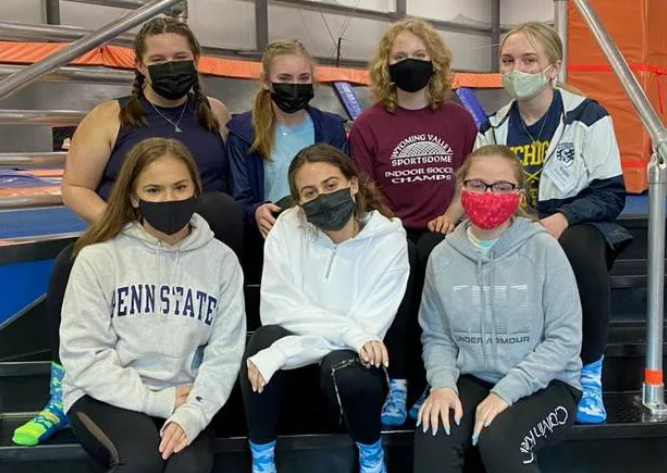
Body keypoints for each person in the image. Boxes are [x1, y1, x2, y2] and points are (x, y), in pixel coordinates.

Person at [12, 17, 242, 447]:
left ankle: (205, 378)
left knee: (222, 208)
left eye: (180, 57)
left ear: (196, 60)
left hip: (195, 242)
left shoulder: (214, 113)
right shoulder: (109, 116)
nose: (171, 66)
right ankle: (61, 393)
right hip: (128, 233)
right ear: (139, 65)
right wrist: (123, 225)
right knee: (71, 263)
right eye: (159, 59)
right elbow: (75, 187)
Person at [475, 22, 631, 424]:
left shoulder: (587, 116)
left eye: (529, 60)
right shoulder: (492, 127)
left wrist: (564, 218)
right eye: (508, 61)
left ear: (552, 68)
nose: (517, 70)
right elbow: (480, 187)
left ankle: (589, 371)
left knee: (580, 248)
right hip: (514, 223)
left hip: (576, 220)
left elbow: (611, 194)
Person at [59, 137, 246, 473]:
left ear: (195, 189)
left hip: (186, 395)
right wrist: (157, 401)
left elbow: (225, 352)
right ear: (134, 196)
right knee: (140, 463)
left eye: (180, 187)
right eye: (154, 190)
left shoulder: (222, 261)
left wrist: (194, 412)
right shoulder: (98, 258)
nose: (169, 199)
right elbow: (83, 356)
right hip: (104, 394)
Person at [240, 144, 410, 473]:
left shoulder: (389, 239)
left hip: (342, 375)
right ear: (299, 202)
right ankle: (262, 460)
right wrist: (346, 332)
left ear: (353, 184)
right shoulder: (286, 228)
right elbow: (278, 310)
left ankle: (372, 458)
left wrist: (285, 351)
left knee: (349, 366)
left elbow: (368, 328)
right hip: (293, 376)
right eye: (309, 193)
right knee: (263, 342)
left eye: (331, 185)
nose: (322, 198)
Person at [414, 144, 582, 473]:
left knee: (500, 439)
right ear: (461, 188)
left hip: (547, 383)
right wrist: (442, 385)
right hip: (472, 376)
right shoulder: (442, 256)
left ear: (519, 195)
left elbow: (564, 339)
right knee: (434, 429)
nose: (489, 194)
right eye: (477, 184)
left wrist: (506, 392)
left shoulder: (543, 249)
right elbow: (437, 337)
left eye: (502, 186)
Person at [349, 17, 476, 425]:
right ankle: (398, 381)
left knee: (435, 259)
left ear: (435, 61)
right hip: (391, 227)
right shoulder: (368, 125)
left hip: (444, 225)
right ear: (385, 65)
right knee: (401, 263)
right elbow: (365, 189)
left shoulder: (459, 120)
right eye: (400, 56)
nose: (410, 62)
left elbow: (468, 179)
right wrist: (390, 224)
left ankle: (432, 381)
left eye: (419, 55)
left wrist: (452, 215)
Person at [227, 39, 347, 281]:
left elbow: (344, 183)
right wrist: (255, 211)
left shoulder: (331, 128)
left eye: (303, 78)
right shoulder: (242, 132)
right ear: (266, 81)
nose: (295, 86)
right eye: (284, 78)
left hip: (322, 231)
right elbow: (238, 196)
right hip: (270, 236)